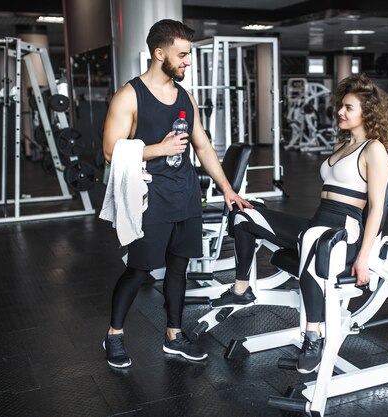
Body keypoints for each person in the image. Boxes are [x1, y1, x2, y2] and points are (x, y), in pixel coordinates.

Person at [211, 73, 388, 374]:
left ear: (367, 113)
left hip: (343, 232)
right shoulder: (344, 144)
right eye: (341, 106)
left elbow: (376, 209)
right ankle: (242, 287)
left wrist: (363, 258)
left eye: (349, 107)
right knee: (245, 213)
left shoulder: (374, 150)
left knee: (312, 239)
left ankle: (314, 336)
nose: (340, 112)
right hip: (317, 224)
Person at [101, 19, 251, 368]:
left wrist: (228, 189)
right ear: (158, 53)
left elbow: (203, 146)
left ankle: (174, 335)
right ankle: (114, 335)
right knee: (139, 271)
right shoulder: (129, 95)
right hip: (149, 198)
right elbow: (110, 151)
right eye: (182, 54)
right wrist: (157, 148)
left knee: (179, 268)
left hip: (184, 194)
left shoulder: (186, 96)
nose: (187, 61)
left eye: (188, 54)